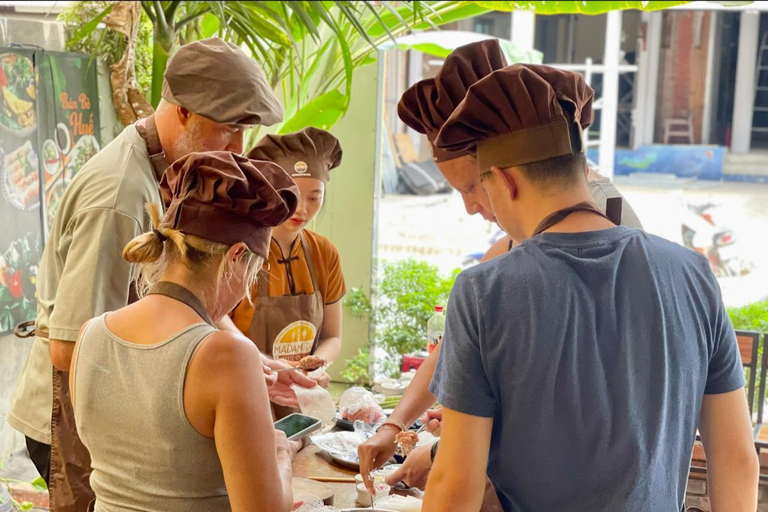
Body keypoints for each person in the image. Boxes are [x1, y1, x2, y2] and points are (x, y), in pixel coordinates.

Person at [421, 64, 758, 511]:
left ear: (504, 180)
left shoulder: (484, 292)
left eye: (481, 187)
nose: (477, 209)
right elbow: (737, 459)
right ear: (579, 166)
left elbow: (456, 486)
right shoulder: (693, 274)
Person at [8, 37, 313, 512]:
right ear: (184, 112)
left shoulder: (175, 168)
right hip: (72, 415)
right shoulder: (119, 199)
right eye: (229, 131)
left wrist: (245, 366)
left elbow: (193, 285)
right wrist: (202, 382)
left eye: (246, 134)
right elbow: (72, 347)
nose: (238, 150)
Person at [359, 38, 642, 494]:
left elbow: (570, 398)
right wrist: (394, 424)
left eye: (474, 186)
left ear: (505, 171)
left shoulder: (603, 233)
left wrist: (441, 451)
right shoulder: (511, 250)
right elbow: (455, 345)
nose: (472, 207)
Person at [70, 151, 301, 512]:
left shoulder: (91, 334)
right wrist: (280, 453)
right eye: (253, 275)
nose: (246, 291)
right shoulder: (227, 355)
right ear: (236, 258)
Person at [231, 128, 346, 390]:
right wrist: (268, 366)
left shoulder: (325, 252)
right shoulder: (240, 250)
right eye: (290, 195)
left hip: (302, 390)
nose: (302, 209)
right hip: (245, 384)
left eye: (314, 197)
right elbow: (217, 323)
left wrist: (315, 367)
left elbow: (332, 336)